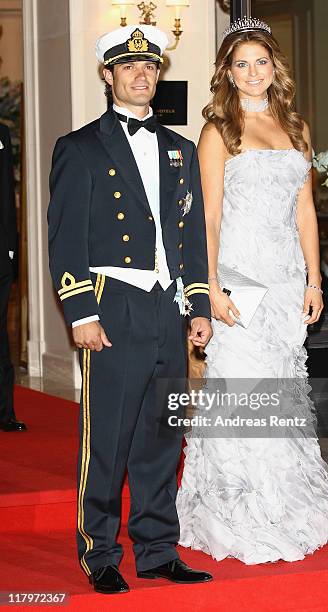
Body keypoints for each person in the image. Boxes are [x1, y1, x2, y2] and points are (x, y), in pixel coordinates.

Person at [176, 17, 328, 564]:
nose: (252, 73)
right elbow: (207, 217)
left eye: (261, 62)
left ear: (275, 68)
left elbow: (304, 211)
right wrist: (209, 289)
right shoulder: (218, 132)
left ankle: (288, 505)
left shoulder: (295, 129)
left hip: (281, 284)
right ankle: (238, 512)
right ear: (227, 72)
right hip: (239, 279)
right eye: (241, 63)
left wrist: (313, 277)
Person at [48, 25, 213, 594]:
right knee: (109, 439)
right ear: (108, 75)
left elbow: (191, 236)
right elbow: (66, 239)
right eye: (128, 67)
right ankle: (99, 551)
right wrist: (80, 313)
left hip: (168, 308)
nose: (141, 75)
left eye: (149, 68)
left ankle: (158, 549)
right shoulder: (79, 147)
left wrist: (198, 305)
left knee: (162, 436)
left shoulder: (180, 149)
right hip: (112, 306)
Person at [0, 122, 27, 432]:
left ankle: (4, 411)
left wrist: (10, 248)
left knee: (0, 333)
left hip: (0, 254)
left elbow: (7, 194)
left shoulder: (2, 133)